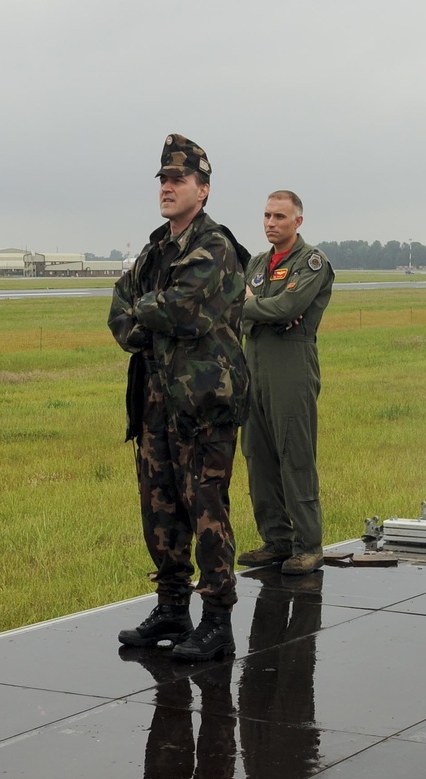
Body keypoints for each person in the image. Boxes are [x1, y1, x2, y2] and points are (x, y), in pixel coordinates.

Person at [109, 134, 249, 662]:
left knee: (206, 508)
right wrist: (148, 312)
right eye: (163, 180)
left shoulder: (213, 247)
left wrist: (147, 311)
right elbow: (121, 312)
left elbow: (182, 311)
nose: (168, 188)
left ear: (204, 189)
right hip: (155, 401)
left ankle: (217, 620)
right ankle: (172, 606)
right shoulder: (156, 248)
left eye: (179, 180)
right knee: (160, 508)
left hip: (203, 404)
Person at [238, 191, 335, 575]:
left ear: (298, 220)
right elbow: (240, 311)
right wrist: (267, 311)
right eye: (266, 215)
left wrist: (258, 306)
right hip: (254, 363)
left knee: (294, 454)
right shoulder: (258, 263)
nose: (270, 222)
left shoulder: (311, 261)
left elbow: (289, 308)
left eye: (279, 216)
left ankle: (308, 544)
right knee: (257, 455)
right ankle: (276, 539)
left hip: (291, 364)